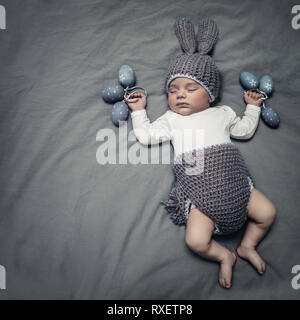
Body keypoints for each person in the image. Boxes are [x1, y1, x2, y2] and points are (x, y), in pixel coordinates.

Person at [126, 18, 276, 289]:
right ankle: (224, 256)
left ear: (210, 95)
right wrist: (139, 112)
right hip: (201, 193)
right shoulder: (171, 119)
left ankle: (247, 246)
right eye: (173, 90)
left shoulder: (223, 113)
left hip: (237, 185)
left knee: (267, 213)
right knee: (195, 240)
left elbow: (244, 130)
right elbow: (146, 136)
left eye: (191, 88)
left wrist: (252, 108)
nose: (180, 95)